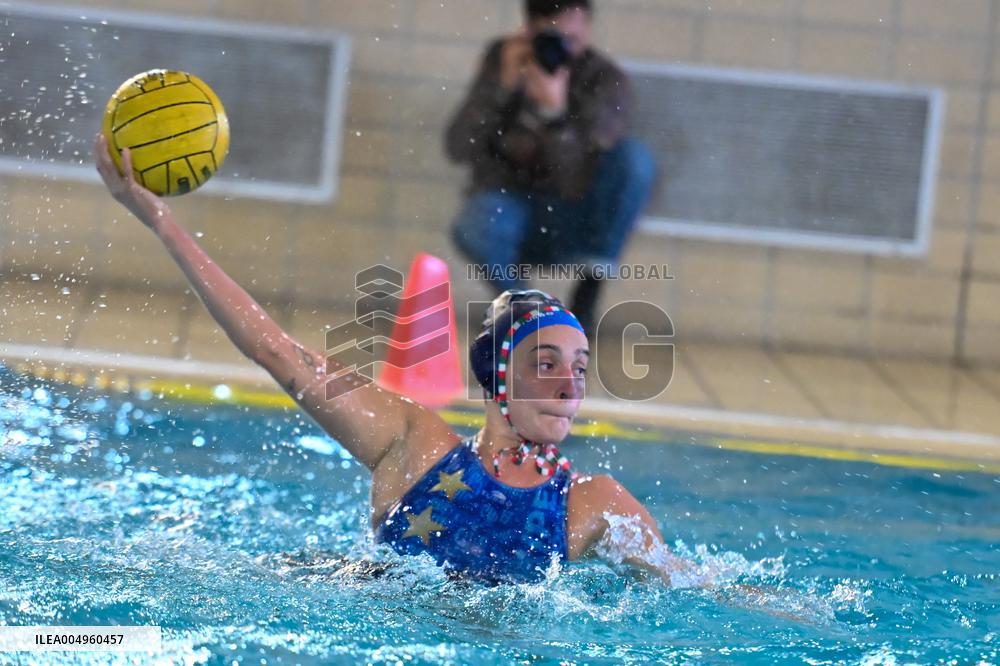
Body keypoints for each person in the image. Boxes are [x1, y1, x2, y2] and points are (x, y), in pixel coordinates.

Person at [93, 135, 690, 586]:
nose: (570, 386)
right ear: (497, 375)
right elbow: (274, 349)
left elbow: (696, 588)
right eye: (548, 363)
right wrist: (161, 221)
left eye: (581, 368)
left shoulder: (596, 505)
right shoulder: (413, 444)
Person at [445, 0, 657, 334]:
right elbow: (457, 147)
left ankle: (589, 288)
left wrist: (555, 114)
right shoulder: (505, 59)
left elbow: (574, 177)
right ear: (530, 29)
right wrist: (501, 89)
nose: (561, 49)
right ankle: (531, 315)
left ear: (587, 28)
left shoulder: (605, 80)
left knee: (636, 159)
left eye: (572, 39)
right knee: (475, 223)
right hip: (510, 208)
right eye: (553, 37)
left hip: (574, 217)